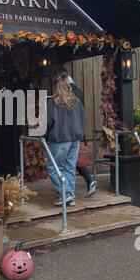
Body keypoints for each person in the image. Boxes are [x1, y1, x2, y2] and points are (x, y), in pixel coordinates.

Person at [46, 71, 86, 207]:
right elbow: (83, 119)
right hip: (75, 139)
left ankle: (66, 194)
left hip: (60, 140)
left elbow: (47, 122)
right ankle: (70, 197)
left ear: (57, 87)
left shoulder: (53, 103)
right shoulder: (76, 101)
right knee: (69, 167)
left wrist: (44, 135)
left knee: (54, 168)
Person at [56, 68, 98, 197]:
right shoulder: (78, 91)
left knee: (60, 166)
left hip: (66, 133)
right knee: (71, 163)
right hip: (76, 131)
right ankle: (72, 192)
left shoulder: (70, 94)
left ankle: (67, 193)